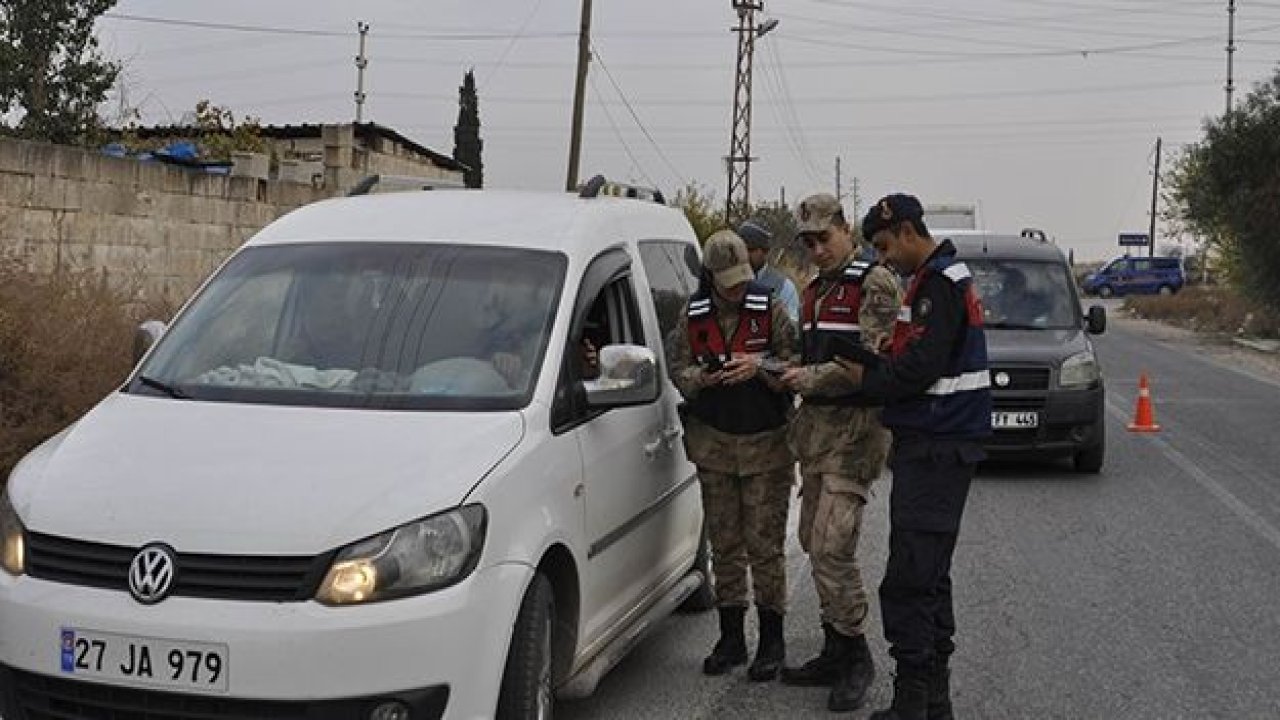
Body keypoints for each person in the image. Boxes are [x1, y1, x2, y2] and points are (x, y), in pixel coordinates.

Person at [838, 193, 992, 720]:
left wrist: (867, 377)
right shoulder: (937, 279)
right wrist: (881, 360)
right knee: (930, 576)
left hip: (935, 444)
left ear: (907, 231)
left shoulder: (938, 285)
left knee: (909, 578)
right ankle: (933, 702)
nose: (883, 259)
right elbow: (922, 358)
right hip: (938, 445)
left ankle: (912, 703)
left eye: (884, 246)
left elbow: (918, 371)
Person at [777, 193, 903, 712]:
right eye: (807, 241)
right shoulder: (814, 289)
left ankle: (855, 654)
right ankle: (833, 648)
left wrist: (803, 377)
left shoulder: (873, 282)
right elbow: (810, 352)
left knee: (833, 546)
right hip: (817, 433)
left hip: (856, 432)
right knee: (811, 538)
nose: (816, 249)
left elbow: (869, 363)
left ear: (846, 230)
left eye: (823, 238)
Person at [669, 229, 798, 682]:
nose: (737, 289)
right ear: (710, 277)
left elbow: (796, 364)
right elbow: (677, 367)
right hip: (715, 446)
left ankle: (772, 641)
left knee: (765, 549)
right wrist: (702, 379)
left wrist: (759, 367)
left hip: (767, 446)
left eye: (742, 279)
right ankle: (731, 638)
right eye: (727, 282)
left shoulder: (772, 309)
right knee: (725, 546)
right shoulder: (693, 314)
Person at [738, 220, 801, 325]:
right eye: (741, 250)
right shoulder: (729, 282)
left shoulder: (783, 287)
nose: (745, 255)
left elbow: (792, 329)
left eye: (751, 250)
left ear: (765, 251)